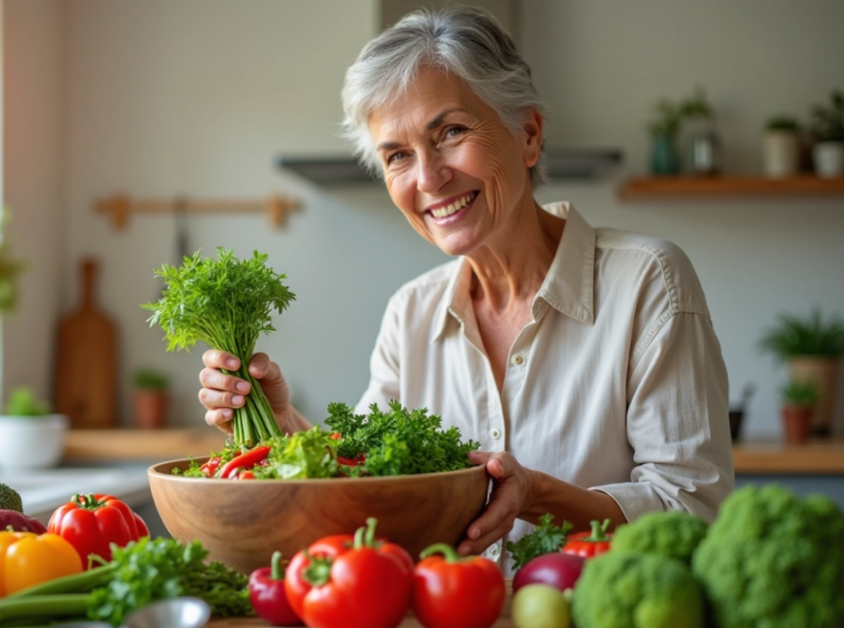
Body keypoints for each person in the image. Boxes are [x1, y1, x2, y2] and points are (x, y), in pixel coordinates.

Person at [196, 6, 734, 567]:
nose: (428, 178)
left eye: (451, 132)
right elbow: (367, 481)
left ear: (528, 135)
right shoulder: (410, 313)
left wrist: (538, 496)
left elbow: (693, 510)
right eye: (398, 156)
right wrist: (284, 425)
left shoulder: (649, 281)